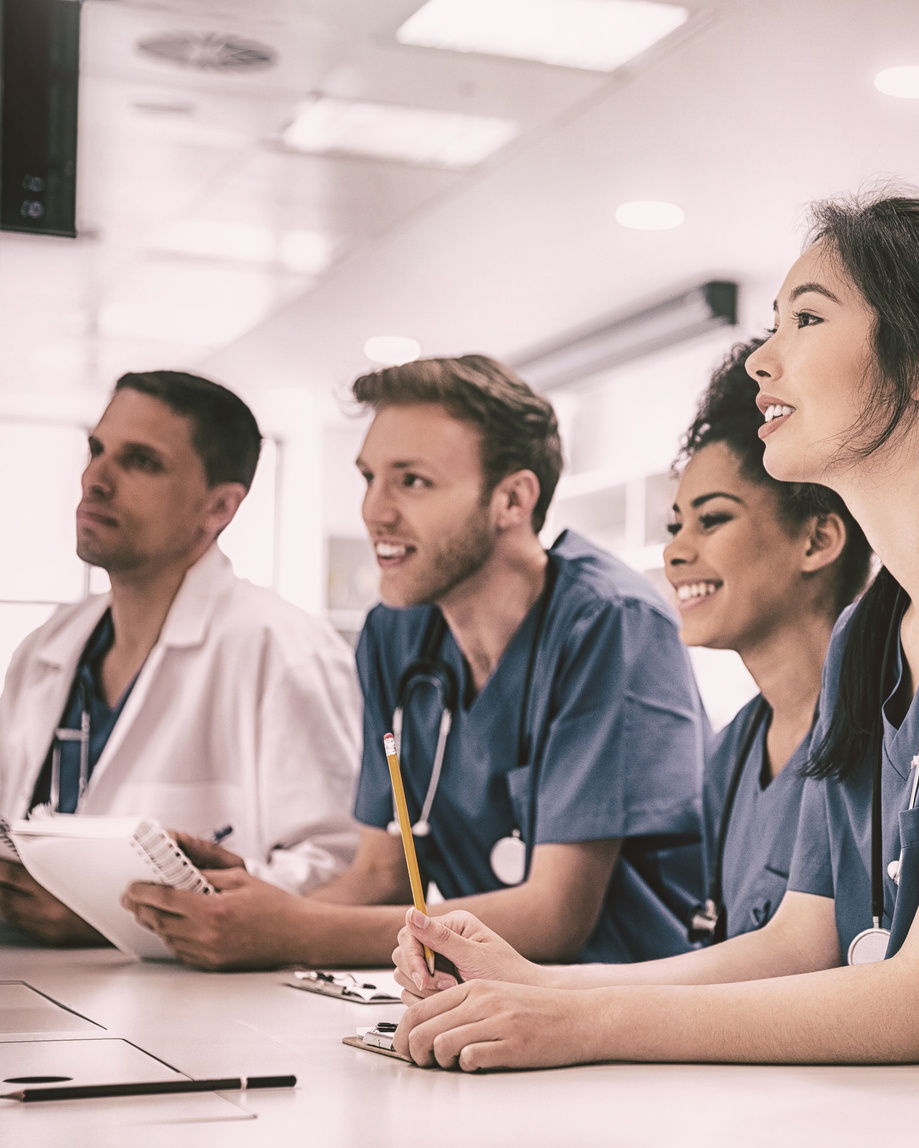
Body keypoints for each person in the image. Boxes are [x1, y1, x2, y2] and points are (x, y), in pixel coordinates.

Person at [384, 194, 919, 1075]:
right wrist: (538, 987)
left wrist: (575, 1027)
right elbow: (800, 943)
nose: (764, 362)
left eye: (807, 318)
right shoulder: (870, 630)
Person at [122, 355, 708, 969]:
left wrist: (292, 932)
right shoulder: (396, 631)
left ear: (512, 498)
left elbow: (555, 916)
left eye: (412, 481)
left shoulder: (609, 622)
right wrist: (245, 916)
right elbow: (381, 872)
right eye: (369, 477)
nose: (374, 511)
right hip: (484, 1000)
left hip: (627, 1011)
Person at [0, 371, 359, 945]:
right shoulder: (48, 646)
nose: (96, 478)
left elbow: (339, 870)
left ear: (218, 507)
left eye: (141, 462)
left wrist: (105, 910)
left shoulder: (283, 649)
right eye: (97, 450)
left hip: (187, 1009)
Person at [666, 338, 870, 943]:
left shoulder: (878, 735)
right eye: (675, 525)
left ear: (817, 541)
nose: (676, 551)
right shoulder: (732, 755)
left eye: (713, 519)